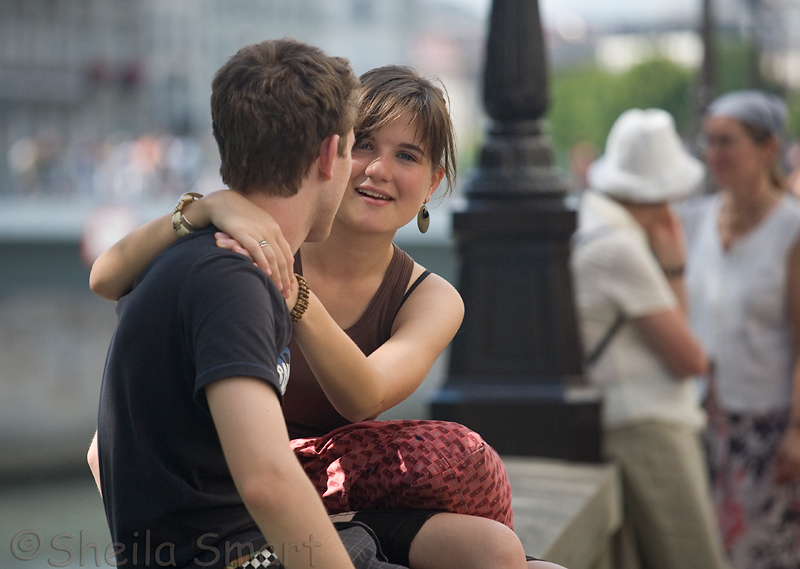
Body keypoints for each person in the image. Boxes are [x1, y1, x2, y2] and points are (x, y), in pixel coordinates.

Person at [88, 65, 563, 569]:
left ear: (432, 184)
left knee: (501, 551)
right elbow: (105, 277)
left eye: (406, 156)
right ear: (329, 154)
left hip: (337, 500)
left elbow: (364, 395)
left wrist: (295, 296)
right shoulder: (247, 241)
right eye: (364, 146)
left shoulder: (430, 296)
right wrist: (203, 209)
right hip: (239, 509)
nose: (378, 170)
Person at [93, 38, 367, 569]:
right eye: (356, 147)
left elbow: (98, 452)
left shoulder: (187, 259)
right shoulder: (233, 279)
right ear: (330, 154)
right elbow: (267, 480)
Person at [571, 108, 729, 569]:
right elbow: (691, 357)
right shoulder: (618, 247)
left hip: (624, 422)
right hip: (649, 429)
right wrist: (675, 262)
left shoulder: (593, 227)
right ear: (664, 191)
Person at [683, 90, 800, 569]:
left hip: (767, 426)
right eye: (708, 141)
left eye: (727, 142)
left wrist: (797, 429)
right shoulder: (698, 219)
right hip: (706, 421)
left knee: (764, 555)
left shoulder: (791, 230)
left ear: (767, 147)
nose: (713, 155)